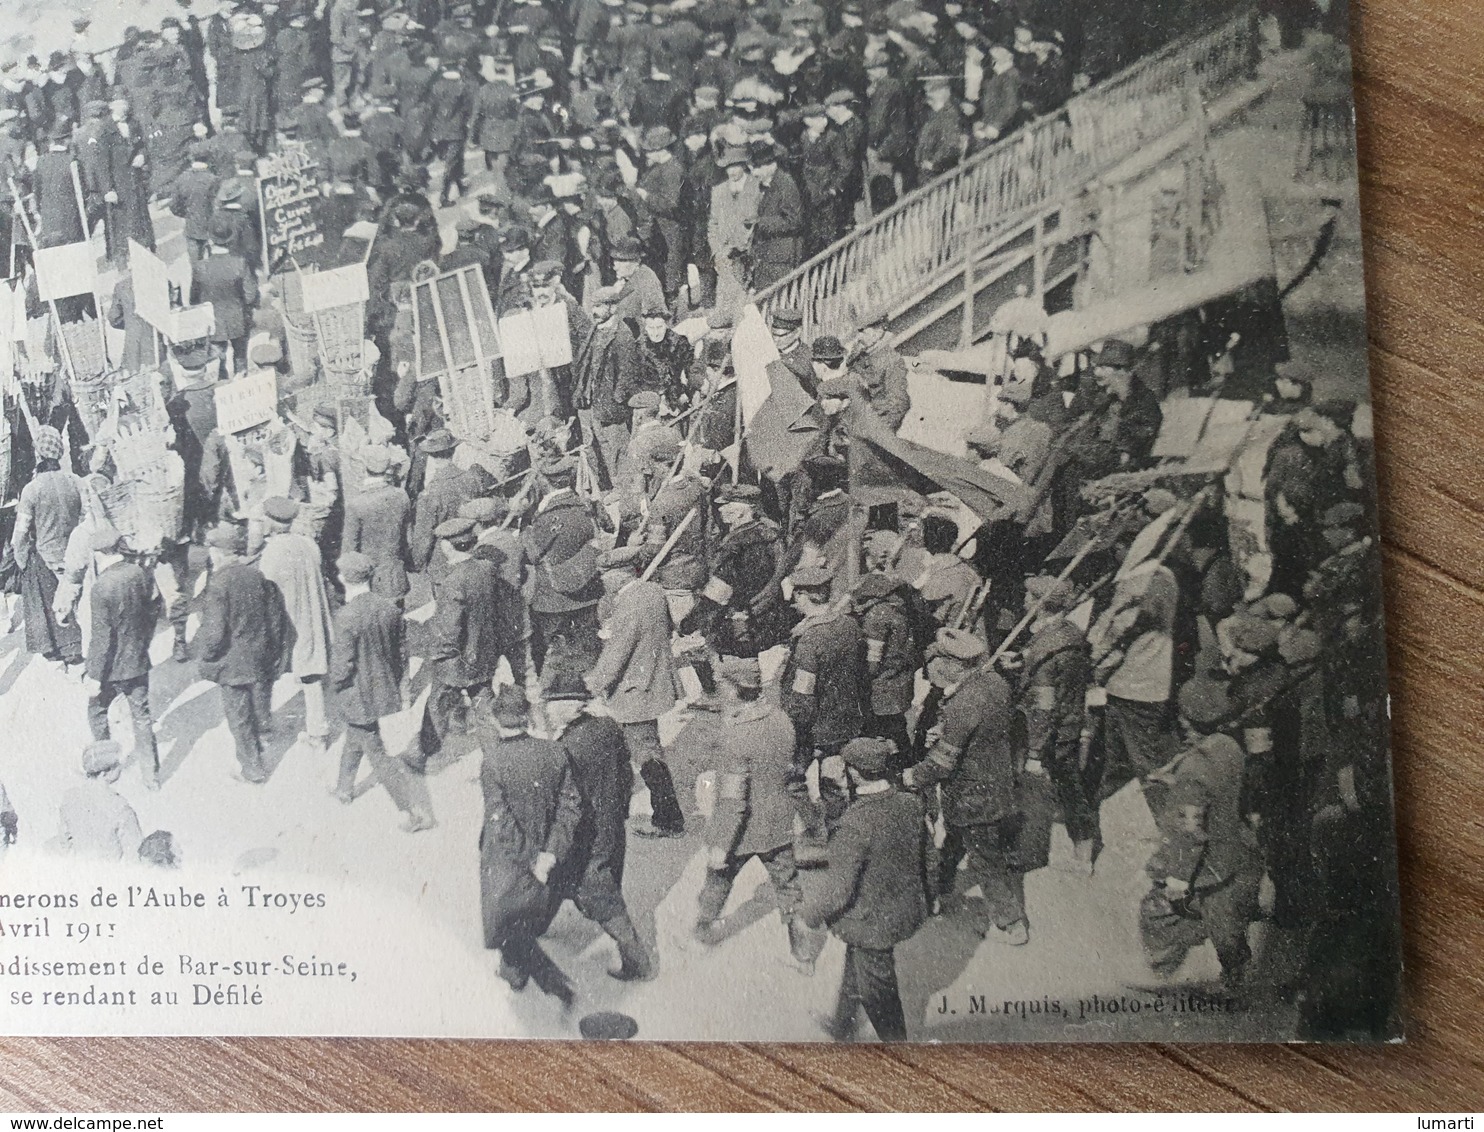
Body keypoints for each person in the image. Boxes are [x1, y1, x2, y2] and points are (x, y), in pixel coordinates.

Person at [694, 656, 825, 970]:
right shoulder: (781, 719)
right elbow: (793, 775)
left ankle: (703, 929)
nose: (721, 690)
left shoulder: (736, 736)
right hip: (778, 823)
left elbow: (733, 802)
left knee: (719, 877)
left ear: (736, 689)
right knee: (789, 886)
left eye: (724, 685)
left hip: (743, 832)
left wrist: (721, 845)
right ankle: (804, 955)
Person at [903, 627, 1028, 945]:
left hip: (972, 798)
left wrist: (911, 777)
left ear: (950, 665)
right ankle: (938, 893)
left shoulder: (963, 705)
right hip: (997, 783)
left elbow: (942, 763)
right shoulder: (995, 684)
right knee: (955, 843)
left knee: (986, 860)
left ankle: (1011, 922)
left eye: (933, 666)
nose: (930, 674)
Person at [802, 736, 928, 1043]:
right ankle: (843, 1025)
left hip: (871, 922)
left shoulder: (855, 823)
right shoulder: (911, 804)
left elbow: (838, 890)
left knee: (879, 992)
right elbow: (930, 861)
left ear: (854, 774)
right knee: (856, 967)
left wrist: (809, 914)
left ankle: (900, 1053)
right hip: (904, 908)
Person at [1140, 677, 1263, 990]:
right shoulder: (1230, 747)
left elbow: (1190, 831)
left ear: (1186, 720)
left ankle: (1161, 968)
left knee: (1160, 909)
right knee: (1225, 924)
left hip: (1207, 866)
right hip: (1234, 853)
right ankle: (1235, 975)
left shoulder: (1195, 769)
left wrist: (1178, 880)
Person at [477, 685, 582, 1007]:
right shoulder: (555, 752)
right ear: (527, 716)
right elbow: (571, 806)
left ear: (496, 720)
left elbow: (500, 820)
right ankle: (515, 969)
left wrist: (529, 857)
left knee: (507, 916)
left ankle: (535, 979)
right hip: (546, 848)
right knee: (526, 911)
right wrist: (549, 852)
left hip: (507, 856)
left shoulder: (493, 761)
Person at [546, 681, 655, 981]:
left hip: (586, 836)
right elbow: (626, 775)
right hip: (612, 826)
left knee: (601, 896)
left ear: (569, 706)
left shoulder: (565, 748)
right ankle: (537, 925)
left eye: (551, 704)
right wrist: (619, 812)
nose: (546, 710)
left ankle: (637, 961)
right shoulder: (607, 727)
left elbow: (565, 803)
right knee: (563, 880)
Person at [585, 544, 685, 839]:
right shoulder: (653, 591)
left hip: (634, 689)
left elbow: (617, 654)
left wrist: (594, 684)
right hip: (653, 680)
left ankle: (668, 820)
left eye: (605, 575)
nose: (602, 580)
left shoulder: (629, 605)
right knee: (644, 746)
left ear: (619, 575)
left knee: (646, 753)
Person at [329, 552, 434, 832]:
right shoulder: (390, 609)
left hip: (357, 696)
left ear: (343, 579)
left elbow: (342, 665)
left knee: (377, 753)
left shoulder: (345, 616)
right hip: (382, 690)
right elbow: (401, 653)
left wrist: (336, 685)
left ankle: (412, 812)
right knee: (357, 736)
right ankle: (343, 788)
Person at [411, 516, 519, 774]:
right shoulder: (487, 570)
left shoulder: (452, 583)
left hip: (455, 663)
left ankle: (426, 756)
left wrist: (436, 655)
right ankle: (496, 761)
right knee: (484, 709)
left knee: (437, 704)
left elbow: (448, 632)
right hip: (483, 655)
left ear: (448, 546)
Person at [193, 522, 291, 784]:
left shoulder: (218, 584)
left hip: (232, 663)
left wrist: (205, 655)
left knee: (238, 717)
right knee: (258, 702)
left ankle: (253, 769)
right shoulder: (256, 576)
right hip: (257, 657)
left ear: (219, 553)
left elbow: (214, 633)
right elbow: (273, 618)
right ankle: (264, 736)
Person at [781, 564, 865, 855]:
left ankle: (816, 830)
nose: (794, 602)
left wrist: (792, 726)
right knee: (835, 779)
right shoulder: (849, 626)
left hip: (813, 726)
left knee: (793, 779)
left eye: (797, 596)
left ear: (804, 596)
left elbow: (803, 696)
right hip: (845, 719)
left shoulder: (809, 641)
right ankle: (840, 831)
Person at [1018, 574, 1097, 873]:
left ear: (1040, 605)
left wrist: (1035, 751)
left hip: (1050, 731)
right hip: (1072, 721)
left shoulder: (1046, 649)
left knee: (1048, 788)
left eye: (1029, 597)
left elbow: (1043, 706)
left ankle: (1031, 852)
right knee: (1071, 784)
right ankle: (1084, 851)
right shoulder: (1071, 634)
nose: (1024, 601)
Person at [83, 526, 163, 789]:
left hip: (110, 671)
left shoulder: (101, 587)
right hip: (138, 662)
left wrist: (94, 675)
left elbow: (102, 638)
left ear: (100, 553)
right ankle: (151, 776)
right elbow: (155, 609)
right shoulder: (140, 573)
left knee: (96, 711)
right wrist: (143, 642)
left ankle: (109, 767)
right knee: (141, 717)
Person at [258, 497, 335, 756]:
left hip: (285, 622)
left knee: (267, 673)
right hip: (310, 619)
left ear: (270, 522)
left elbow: (267, 591)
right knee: (311, 674)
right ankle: (318, 731)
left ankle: (264, 726)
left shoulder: (270, 553)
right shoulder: (308, 544)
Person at [520, 456, 603, 685]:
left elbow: (531, 553)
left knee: (543, 648)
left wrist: (524, 525)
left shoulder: (548, 517)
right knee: (589, 645)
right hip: (586, 591)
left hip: (552, 598)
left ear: (545, 482)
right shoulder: (584, 507)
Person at [10, 426, 84, 668]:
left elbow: (20, 535)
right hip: (75, 552)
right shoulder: (75, 482)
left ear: (38, 456)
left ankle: (56, 647)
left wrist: (21, 562)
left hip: (48, 556)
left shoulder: (31, 490)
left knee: (40, 581)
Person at [342, 447, 411, 605]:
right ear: (387, 467)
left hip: (368, 579)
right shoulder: (401, 495)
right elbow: (407, 537)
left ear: (364, 467)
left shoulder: (357, 503)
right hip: (394, 575)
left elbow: (349, 550)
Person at [55, 740, 143, 861]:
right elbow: (135, 852)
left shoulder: (70, 798)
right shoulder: (120, 806)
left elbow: (64, 842)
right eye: (117, 765)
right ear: (105, 772)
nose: (121, 768)